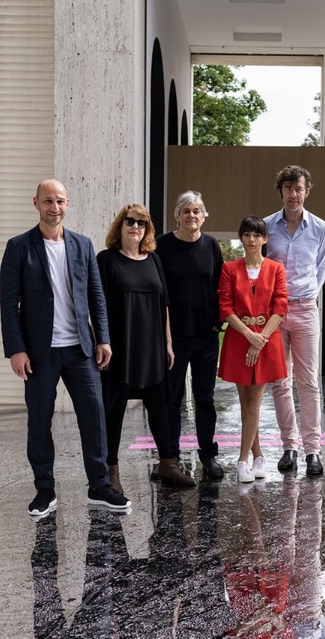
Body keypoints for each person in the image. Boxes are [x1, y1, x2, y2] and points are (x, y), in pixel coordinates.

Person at [0, 178, 129, 516]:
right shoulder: (19, 247)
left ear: (67, 204)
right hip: (39, 353)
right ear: (36, 203)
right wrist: (16, 348)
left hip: (79, 349)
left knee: (94, 416)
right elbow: (7, 302)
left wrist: (103, 338)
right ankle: (45, 490)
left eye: (59, 201)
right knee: (40, 420)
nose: (54, 207)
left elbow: (96, 295)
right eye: (48, 201)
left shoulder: (82, 245)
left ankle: (99, 485)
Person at [97, 203, 195, 490]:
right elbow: (97, 305)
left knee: (160, 406)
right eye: (130, 221)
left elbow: (164, 303)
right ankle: (111, 470)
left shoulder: (153, 260)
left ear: (147, 229)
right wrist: (101, 341)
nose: (135, 227)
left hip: (152, 346)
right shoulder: (107, 260)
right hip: (120, 347)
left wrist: (168, 342)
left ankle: (168, 464)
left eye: (141, 223)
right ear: (120, 225)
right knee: (113, 409)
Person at [263, 165, 325, 476]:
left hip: (305, 309)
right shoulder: (267, 227)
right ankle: (289, 447)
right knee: (280, 381)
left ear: (307, 191)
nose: (294, 194)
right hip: (275, 313)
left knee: (309, 381)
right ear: (281, 191)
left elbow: (321, 271)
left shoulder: (320, 228)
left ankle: (313, 451)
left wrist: (308, 296)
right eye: (288, 188)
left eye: (299, 188)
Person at [156, 191, 225, 480]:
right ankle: (170, 458)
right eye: (186, 211)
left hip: (205, 336)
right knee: (171, 399)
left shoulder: (211, 246)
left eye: (196, 210)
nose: (191, 216)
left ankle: (208, 455)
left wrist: (216, 322)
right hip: (173, 338)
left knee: (204, 398)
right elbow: (157, 290)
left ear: (204, 215)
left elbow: (222, 287)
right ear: (177, 216)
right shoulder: (162, 245)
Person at [218, 216, 288, 484]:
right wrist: (249, 335)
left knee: (254, 401)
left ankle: (242, 460)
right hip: (239, 339)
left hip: (267, 340)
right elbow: (225, 307)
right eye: (246, 234)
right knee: (245, 400)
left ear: (265, 239)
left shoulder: (275, 269)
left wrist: (260, 339)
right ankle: (258, 455)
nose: (251, 239)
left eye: (256, 235)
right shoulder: (230, 268)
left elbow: (280, 306)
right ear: (241, 238)